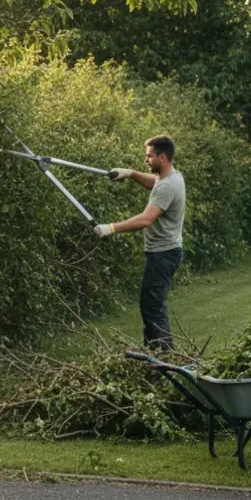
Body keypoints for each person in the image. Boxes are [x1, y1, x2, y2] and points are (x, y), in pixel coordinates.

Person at [94, 135, 186, 351]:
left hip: (163, 255)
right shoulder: (172, 177)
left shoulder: (167, 186)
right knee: (150, 305)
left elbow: (145, 220)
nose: (146, 160)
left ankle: (165, 358)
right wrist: (131, 174)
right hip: (166, 252)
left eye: (149, 156)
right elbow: (154, 182)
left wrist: (111, 228)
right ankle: (155, 355)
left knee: (154, 308)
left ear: (162, 157)